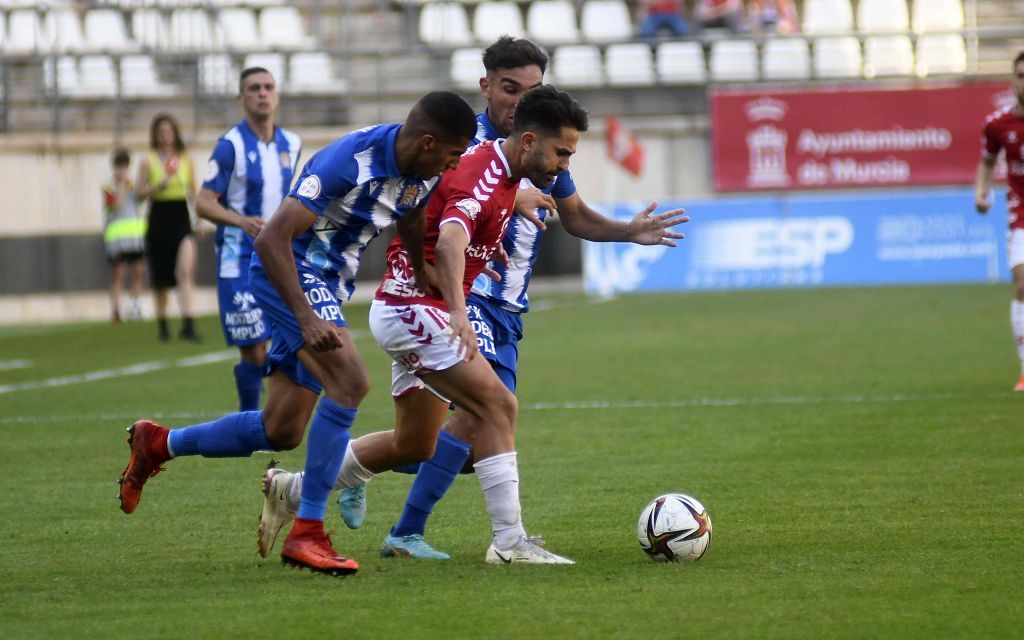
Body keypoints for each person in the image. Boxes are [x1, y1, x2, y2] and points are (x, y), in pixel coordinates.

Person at [257, 39, 688, 562]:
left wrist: (625, 229)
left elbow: (434, 213)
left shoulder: (526, 156)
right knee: (490, 411)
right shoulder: (474, 149)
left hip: (470, 304)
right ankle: (487, 540)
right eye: (512, 89)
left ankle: (300, 490)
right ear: (488, 88)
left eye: (532, 91)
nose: (520, 100)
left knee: (420, 443)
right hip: (450, 306)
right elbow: (450, 231)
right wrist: (455, 303)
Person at [117, 91, 478, 578]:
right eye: (454, 153)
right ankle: (308, 531)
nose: (456, 163)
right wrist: (306, 315)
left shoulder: (423, 170)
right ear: (429, 141)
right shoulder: (347, 161)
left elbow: (411, 215)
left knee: (280, 429)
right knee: (350, 382)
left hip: (326, 285)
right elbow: (271, 239)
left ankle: (159, 443)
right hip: (290, 273)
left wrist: (420, 269)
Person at [195, 67, 301, 411]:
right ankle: (248, 417)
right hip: (237, 259)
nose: (262, 93)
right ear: (241, 98)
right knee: (254, 347)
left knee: (283, 343)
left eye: (269, 87)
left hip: (280, 257)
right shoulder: (230, 146)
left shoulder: (292, 144)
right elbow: (203, 202)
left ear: (278, 95)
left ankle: (267, 416)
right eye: (254, 88)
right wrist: (240, 220)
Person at [975, 51, 1024, 393]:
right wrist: (982, 192)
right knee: (1022, 286)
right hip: (1021, 215)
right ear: (1012, 81)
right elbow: (988, 161)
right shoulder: (998, 124)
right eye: (1021, 75)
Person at [136, 114, 201, 342]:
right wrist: (159, 183)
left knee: (184, 269)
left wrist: (200, 219)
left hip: (181, 215)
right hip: (159, 215)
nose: (166, 136)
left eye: (169, 131)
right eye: (161, 132)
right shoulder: (148, 160)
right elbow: (139, 193)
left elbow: (193, 190)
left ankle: (188, 322)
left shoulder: (185, 159)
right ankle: (163, 323)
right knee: (161, 275)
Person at [102, 148, 147, 323]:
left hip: (135, 238)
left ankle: (135, 306)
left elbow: (142, 198)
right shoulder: (108, 187)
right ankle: (115, 310)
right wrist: (121, 185)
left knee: (138, 272)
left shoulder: (133, 185)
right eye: (119, 166)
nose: (122, 170)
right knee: (118, 274)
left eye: (125, 166)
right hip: (117, 240)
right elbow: (117, 204)